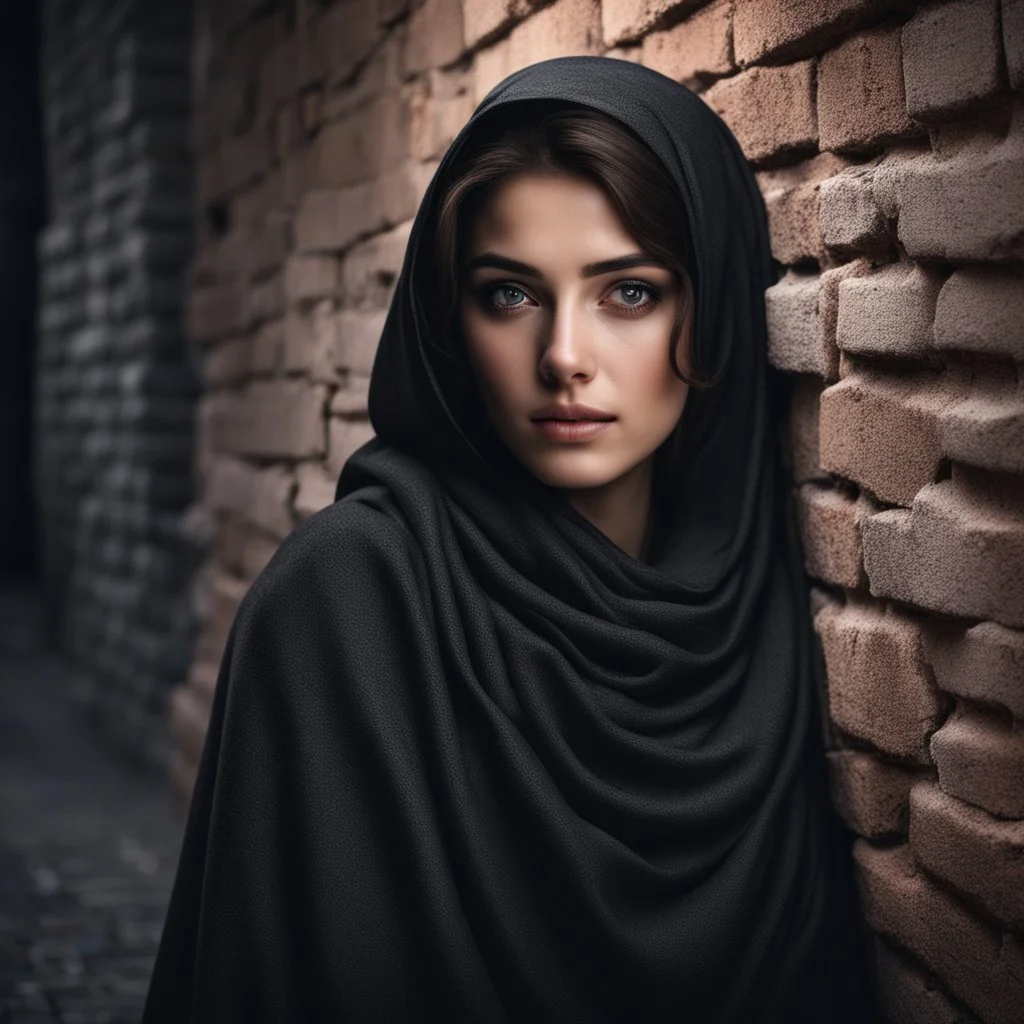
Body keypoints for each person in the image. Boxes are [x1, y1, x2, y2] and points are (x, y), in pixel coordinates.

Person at [142, 56, 879, 1022]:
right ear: (449, 323)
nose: (564, 357)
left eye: (629, 294)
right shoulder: (341, 605)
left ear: (716, 314)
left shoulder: (746, 611)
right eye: (510, 295)